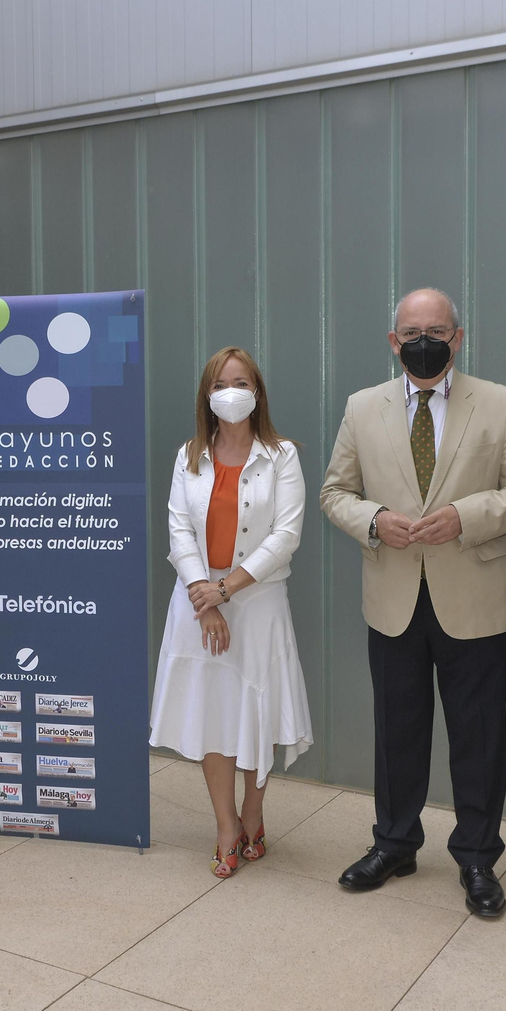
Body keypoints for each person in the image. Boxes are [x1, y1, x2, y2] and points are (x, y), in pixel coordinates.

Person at [321, 288, 506, 918]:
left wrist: (463, 516)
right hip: (392, 596)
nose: (426, 341)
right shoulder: (362, 408)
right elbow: (335, 491)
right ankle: (393, 844)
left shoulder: (501, 404)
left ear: (459, 336)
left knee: (478, 735)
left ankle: (477, 857)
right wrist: (373, 521)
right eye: (412, 332)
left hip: (473, 598)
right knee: (397, 730)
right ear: (394, 342)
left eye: (438, 331)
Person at [148, 346, 312, 879]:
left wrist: (227, 590)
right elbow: (177, 529)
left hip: (257, 601)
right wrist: (204, 594)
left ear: (257, 392)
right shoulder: (189, 454)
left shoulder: (282, 455)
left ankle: (254, 814)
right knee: (211, 714)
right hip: (197, 602)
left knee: (254, 710)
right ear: (207, 394)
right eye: (221, 382)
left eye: (240, 381)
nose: (231, 391)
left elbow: (286, 535)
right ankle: (226, 826)